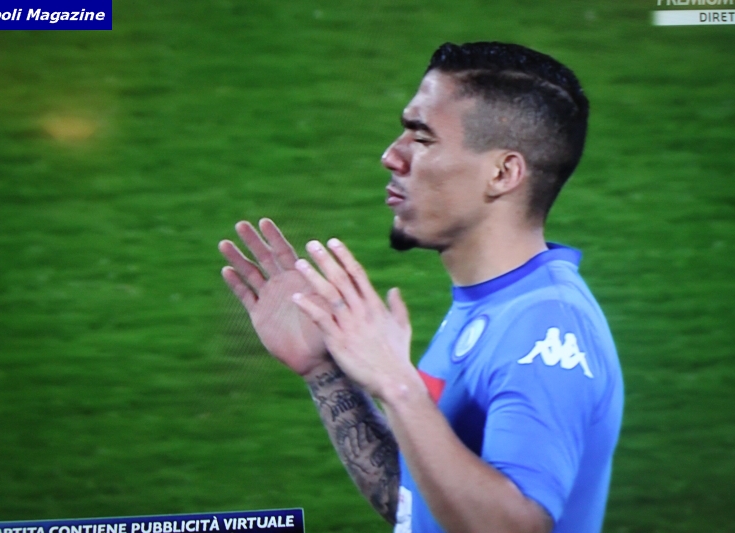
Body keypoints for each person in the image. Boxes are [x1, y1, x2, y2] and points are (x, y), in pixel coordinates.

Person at [218, 41, 623, 533]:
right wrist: (323, 370)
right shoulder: (492, 305)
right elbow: (423, 506)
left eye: (423, 138)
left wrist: (398, 386)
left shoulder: (547, 329)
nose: (391, 156)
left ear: (502, 173)